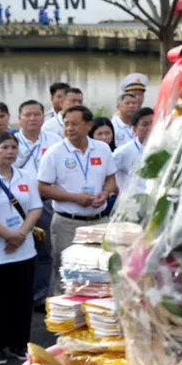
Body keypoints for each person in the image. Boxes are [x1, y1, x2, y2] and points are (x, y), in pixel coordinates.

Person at [37, 106, 118, 293]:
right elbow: (42, 187)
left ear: (89, 125)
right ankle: (64, 319)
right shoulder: (55, 153)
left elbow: (111, 178)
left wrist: (105, 193)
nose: (69, 128)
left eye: (75, 124)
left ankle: (94, 318)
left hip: (99, 221)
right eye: (66, 124)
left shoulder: (102, 148)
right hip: (68, 224)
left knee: (101, 273)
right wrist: (75, 198)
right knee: (66, 276)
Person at [0, 132, 43, 365]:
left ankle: (20, 344)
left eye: (14, 148)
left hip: (24, 249)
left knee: (21, 299)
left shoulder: (26, 176)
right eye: (4, 147)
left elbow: (36, 207)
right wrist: (8, 235)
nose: (10, 152)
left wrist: (21, 234)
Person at [14, 100, 61, 308]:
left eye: (36, 115)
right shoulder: (11, 142)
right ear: (19, 119)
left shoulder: (54, 140)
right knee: (18, 249)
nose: (32, 119)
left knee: (45, 252)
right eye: (27, 115)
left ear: (44, 118)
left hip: (47, 202)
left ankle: (41, 296)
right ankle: (20, 296)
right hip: (17, 206)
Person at [113, 107, 153, 196]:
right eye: (145, 124)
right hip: (132, 203)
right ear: (134, 129)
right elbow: (107, 173)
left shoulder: (162, 148)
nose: (150, 128)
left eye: (153, 123)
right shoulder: (123, 151)